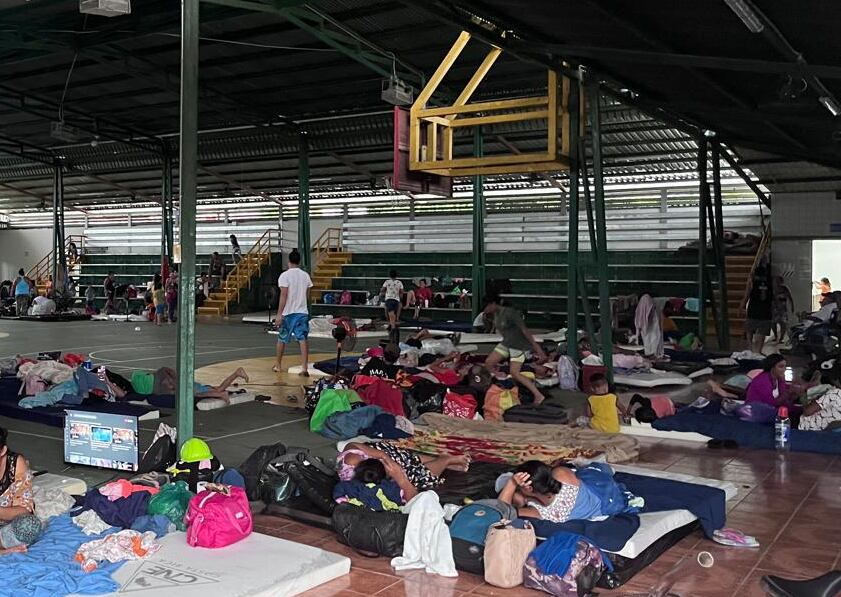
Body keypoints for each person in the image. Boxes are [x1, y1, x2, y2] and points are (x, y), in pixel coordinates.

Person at [497, 460, 627, 523]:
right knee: (593, 470)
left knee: (591, 472)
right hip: (601, 492)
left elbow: (502, 512)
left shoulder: (542, 513)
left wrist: (512, 483)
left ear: (529, 489)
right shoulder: (561, 472)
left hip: (600, 501)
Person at [482, 299, 548, 404]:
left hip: (518, 345)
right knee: (489, 362)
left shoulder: (511, 313)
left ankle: (538, 395)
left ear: (493, 303)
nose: (485, 310)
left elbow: (525, 331)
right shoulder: (496, 314)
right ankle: (500, 381)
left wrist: (538, 349)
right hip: (507, 343)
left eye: (486, 307)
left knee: (515, 373)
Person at [337, 441, 469, 493]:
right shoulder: (367, 487)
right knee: (418, 479)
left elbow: (380, 453)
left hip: (381, 451)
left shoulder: (352, 456)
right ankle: (445, 461)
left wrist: (389, 461)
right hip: (382, 469)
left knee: (404, 459)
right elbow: (411, 494)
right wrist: (398, 476)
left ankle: (442, 461)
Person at [0, 427, 42, 555]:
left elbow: (24, 510)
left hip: (5, 528)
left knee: (30, 525)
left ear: (2, 450)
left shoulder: (15, 463)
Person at [121, 366, 250, 406]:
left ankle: (234, 376)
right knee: (213, 388)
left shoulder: (154, 385)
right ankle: (235, 375)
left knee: (216, 390)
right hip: (175, 381)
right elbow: (166, 371)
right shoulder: (143, 377)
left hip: (177, 383)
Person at [274, 248, 313, 375]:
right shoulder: (305, 275)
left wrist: (279, 314)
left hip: (288, 313)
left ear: (288, 261)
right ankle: (304, 367)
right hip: (302, 312)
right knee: (302, 339)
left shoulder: (284, 276)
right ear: (299, 261)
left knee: (282, 338)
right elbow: (307, 294)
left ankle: (278, 365)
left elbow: (283, 295)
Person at [333, 458, 414, 510]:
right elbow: (400, 496)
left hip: (361, 513)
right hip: (383, 515)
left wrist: (342, 500)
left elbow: (339, 488)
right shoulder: (390, 487)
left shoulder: (351, 485)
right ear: (383, 474)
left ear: (358, 471)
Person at [745, 267, 773, 354]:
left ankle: (750, 347)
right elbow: (774, 296)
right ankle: (759, 350)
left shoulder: (752, 283)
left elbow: (747, 295)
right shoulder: (770, 283)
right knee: (762, 331)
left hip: (754, 309)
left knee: (750, 329)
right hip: (766, 310)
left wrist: (742, 306)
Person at [772, 275, 794, 344]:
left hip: (783, 309)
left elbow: (790, 298)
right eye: (776, 281)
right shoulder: (772, 289)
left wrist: (792, 306)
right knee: (773, 323)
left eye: (778, 281)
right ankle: (776, 336)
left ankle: (781, 337)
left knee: (783, 323)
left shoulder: (784, 289)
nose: (777, 283)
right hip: (774, 308)